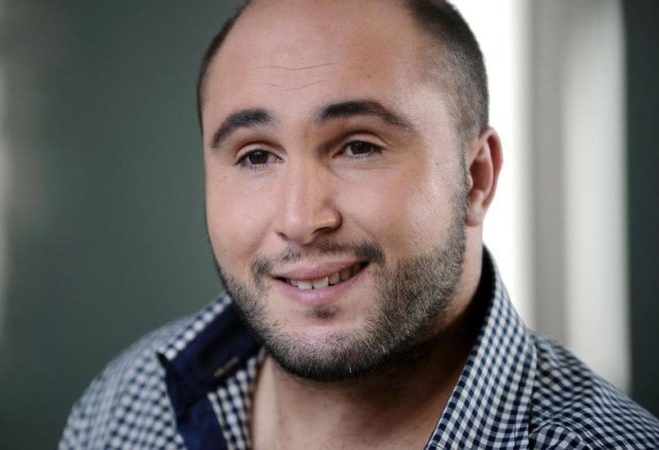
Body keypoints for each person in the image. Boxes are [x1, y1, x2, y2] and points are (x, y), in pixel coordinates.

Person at [60, 0, 659, 448]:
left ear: (476, 178)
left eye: (359, 147)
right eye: (256, 155)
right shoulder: (125, 405)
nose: (300, 220)